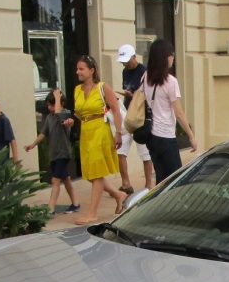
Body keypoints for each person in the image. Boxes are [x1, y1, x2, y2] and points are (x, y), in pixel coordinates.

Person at [70, 54, 127, 224]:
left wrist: (118, 133)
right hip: (85, 132)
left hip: (100, 131)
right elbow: (78, 112)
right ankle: (119, 194)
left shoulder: (103, 87)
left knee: (96, 172)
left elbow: (116, 110)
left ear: (91, 70)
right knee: (91, 174)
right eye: (77, 68)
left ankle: (92, 212)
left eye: (81, 69)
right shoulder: (77, 90)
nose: (77, 72)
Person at [138, 39, 197, 183]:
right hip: (166, 136)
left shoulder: (145, 77)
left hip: (151, 137)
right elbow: (179, 113)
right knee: (177, 179)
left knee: (161, 178)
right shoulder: (170, 81)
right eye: (171, 54)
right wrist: (191, 136)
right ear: (164, 57)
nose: (173, 58)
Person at [24, 89, 79, 214]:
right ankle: (75, 203)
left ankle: (50, 208)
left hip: (63, 153)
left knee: (55, 181)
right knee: (66, 179)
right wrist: (33, 144)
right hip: (54, 154)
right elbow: (44, 133)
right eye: (48, 105)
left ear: (61, 103)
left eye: (52, 105)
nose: (50, 108)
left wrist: (58, 98)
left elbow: (62, 119)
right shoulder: (49, 117)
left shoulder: (65, 113)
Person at [115, 44, 154, 194]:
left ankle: (148, 184)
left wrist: (134, 97)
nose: (125, 64)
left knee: (144, 152)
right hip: (127, 112)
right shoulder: (125, 71)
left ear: (134, 57)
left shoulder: (144, 71)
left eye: (127, 60)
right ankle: (126, 183)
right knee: (121, 149)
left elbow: (147, 95)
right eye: (122, 62)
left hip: (140, 114)